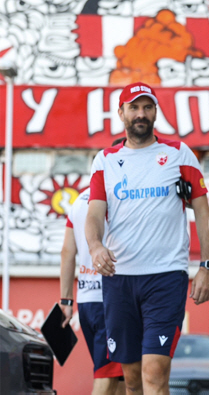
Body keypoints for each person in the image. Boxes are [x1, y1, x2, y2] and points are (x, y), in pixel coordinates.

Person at [85, 82, 209, 395]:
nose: (141, 114)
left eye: (147, 107)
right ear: (121, 113)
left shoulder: (178, 153)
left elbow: (203, 211)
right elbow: (93, 215)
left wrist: (207, 265)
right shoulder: (105, 160)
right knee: (131, 379)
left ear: (155, 111)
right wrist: (96, 246)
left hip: (166, 277)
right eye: (134, 107)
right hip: (120, 279)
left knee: (155, 371)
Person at [60, 168, 125, 395]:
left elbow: (67, 252)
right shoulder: (120, 195)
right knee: (107, 374)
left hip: (86, 300)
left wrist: (66, 300)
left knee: (120, 375)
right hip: (111, 299)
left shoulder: (78, 201)